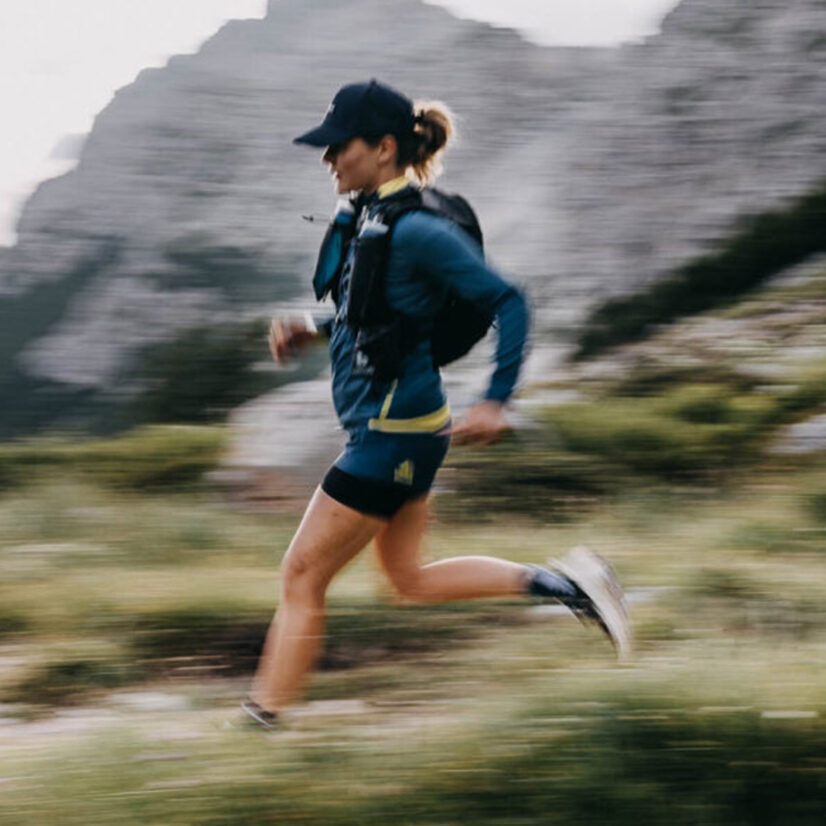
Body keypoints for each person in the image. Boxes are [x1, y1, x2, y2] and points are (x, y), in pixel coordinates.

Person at [241, 80, 631, 729]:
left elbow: (510, 299)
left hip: (390, 436)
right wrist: (313, 327)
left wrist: (498, 400)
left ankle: (261, 723)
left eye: (339, 145)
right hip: (407, 428)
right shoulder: (372, 220)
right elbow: (378, 316)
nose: (327, 158)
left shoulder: (416, 229)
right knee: (407, 582)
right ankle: (572, 584)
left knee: (301, 577)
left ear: (385, 147)